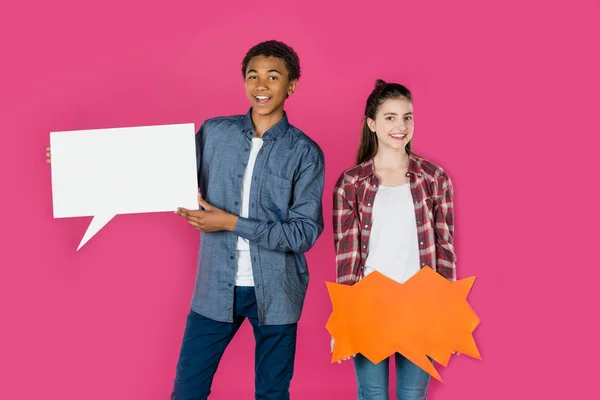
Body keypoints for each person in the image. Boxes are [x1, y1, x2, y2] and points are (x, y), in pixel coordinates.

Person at [47, 40, 325, 400]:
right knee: (187, 391)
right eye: (253, 76)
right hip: (215, 289)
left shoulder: (305, 153)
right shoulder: (214, 133)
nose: (261, 86)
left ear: (291, 85)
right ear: (243, 81)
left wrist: (229, 223)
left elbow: (303, 233)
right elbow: (159, 170)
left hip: (277, 291)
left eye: (273, 77)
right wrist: (79, 162)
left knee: (272, 392)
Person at [331, 79, 456, 400]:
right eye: (390, 117)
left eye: (407, 117)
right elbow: (346, 260)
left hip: (421, 306)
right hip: (370, 306)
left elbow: (445, 252)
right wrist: (344, 322)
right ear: (372, 123)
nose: (400, 126)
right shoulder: (351, 183)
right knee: (372, 394)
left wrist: (448, 314)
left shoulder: (434, 178)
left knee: (413, 396)